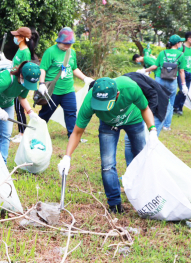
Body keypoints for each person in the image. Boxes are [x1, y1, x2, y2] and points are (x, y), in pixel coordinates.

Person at [58, 77, 157, 214]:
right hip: (108, 125)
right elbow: (77, 132)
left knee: (142, 158)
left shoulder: (130, 88)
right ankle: (114, 204)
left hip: (133, 120)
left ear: (117, 95)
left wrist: (152, 129)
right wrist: (67, 157)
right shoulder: (89, 101)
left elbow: (145, 108)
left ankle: (146, 196)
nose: (102, 108)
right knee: (107, 164)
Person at [38, 27, 94, 138]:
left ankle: (72, 135)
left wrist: (85, 78)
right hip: (53, 90)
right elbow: (42, 68)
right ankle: (36, 132)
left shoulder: (71, 52)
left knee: (72, 112)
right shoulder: (50, 52)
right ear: (59, 41)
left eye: (70, 44)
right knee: (45, 113)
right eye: (66, 44)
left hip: (68, 90)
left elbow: (74, 68)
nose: (68, 46)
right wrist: (42, 84)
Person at [0, 61, 40, 163]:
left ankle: (2, 163)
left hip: (7, 104)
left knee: (6, 134)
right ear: (21, 75)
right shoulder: (6, 80)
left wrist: (30, 112)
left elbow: (22, 97)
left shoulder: (25, 83)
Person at [143, 35, 187, 133]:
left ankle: (151, 123)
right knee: (170, 104)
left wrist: (144, 70)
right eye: (180, 42)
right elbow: (181, 71)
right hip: (172, 81)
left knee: (156, 101)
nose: (181, 44)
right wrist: (183, 85)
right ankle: (166, 125)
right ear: (177, 43)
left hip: (160, 80)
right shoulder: (181, 54)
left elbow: (155, 66)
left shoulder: (162, 53)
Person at [6, 27, 39, 143]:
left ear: (23, 38)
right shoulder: (20, 49)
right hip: (14, 82)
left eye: (17, 36)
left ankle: (22, 133)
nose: (14, 38)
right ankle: (21, 132)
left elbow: (23, 69)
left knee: (19, 108)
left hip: (19, 84)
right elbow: (16, 64)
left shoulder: (25, 52)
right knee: (17, 108)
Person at [173, 31, 191, 116]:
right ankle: (176, 107)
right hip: (182, 72)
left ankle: (178, 107)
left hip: (189, 73)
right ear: (189, 39)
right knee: (182, 90)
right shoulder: (181, 48)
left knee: (186, 91)